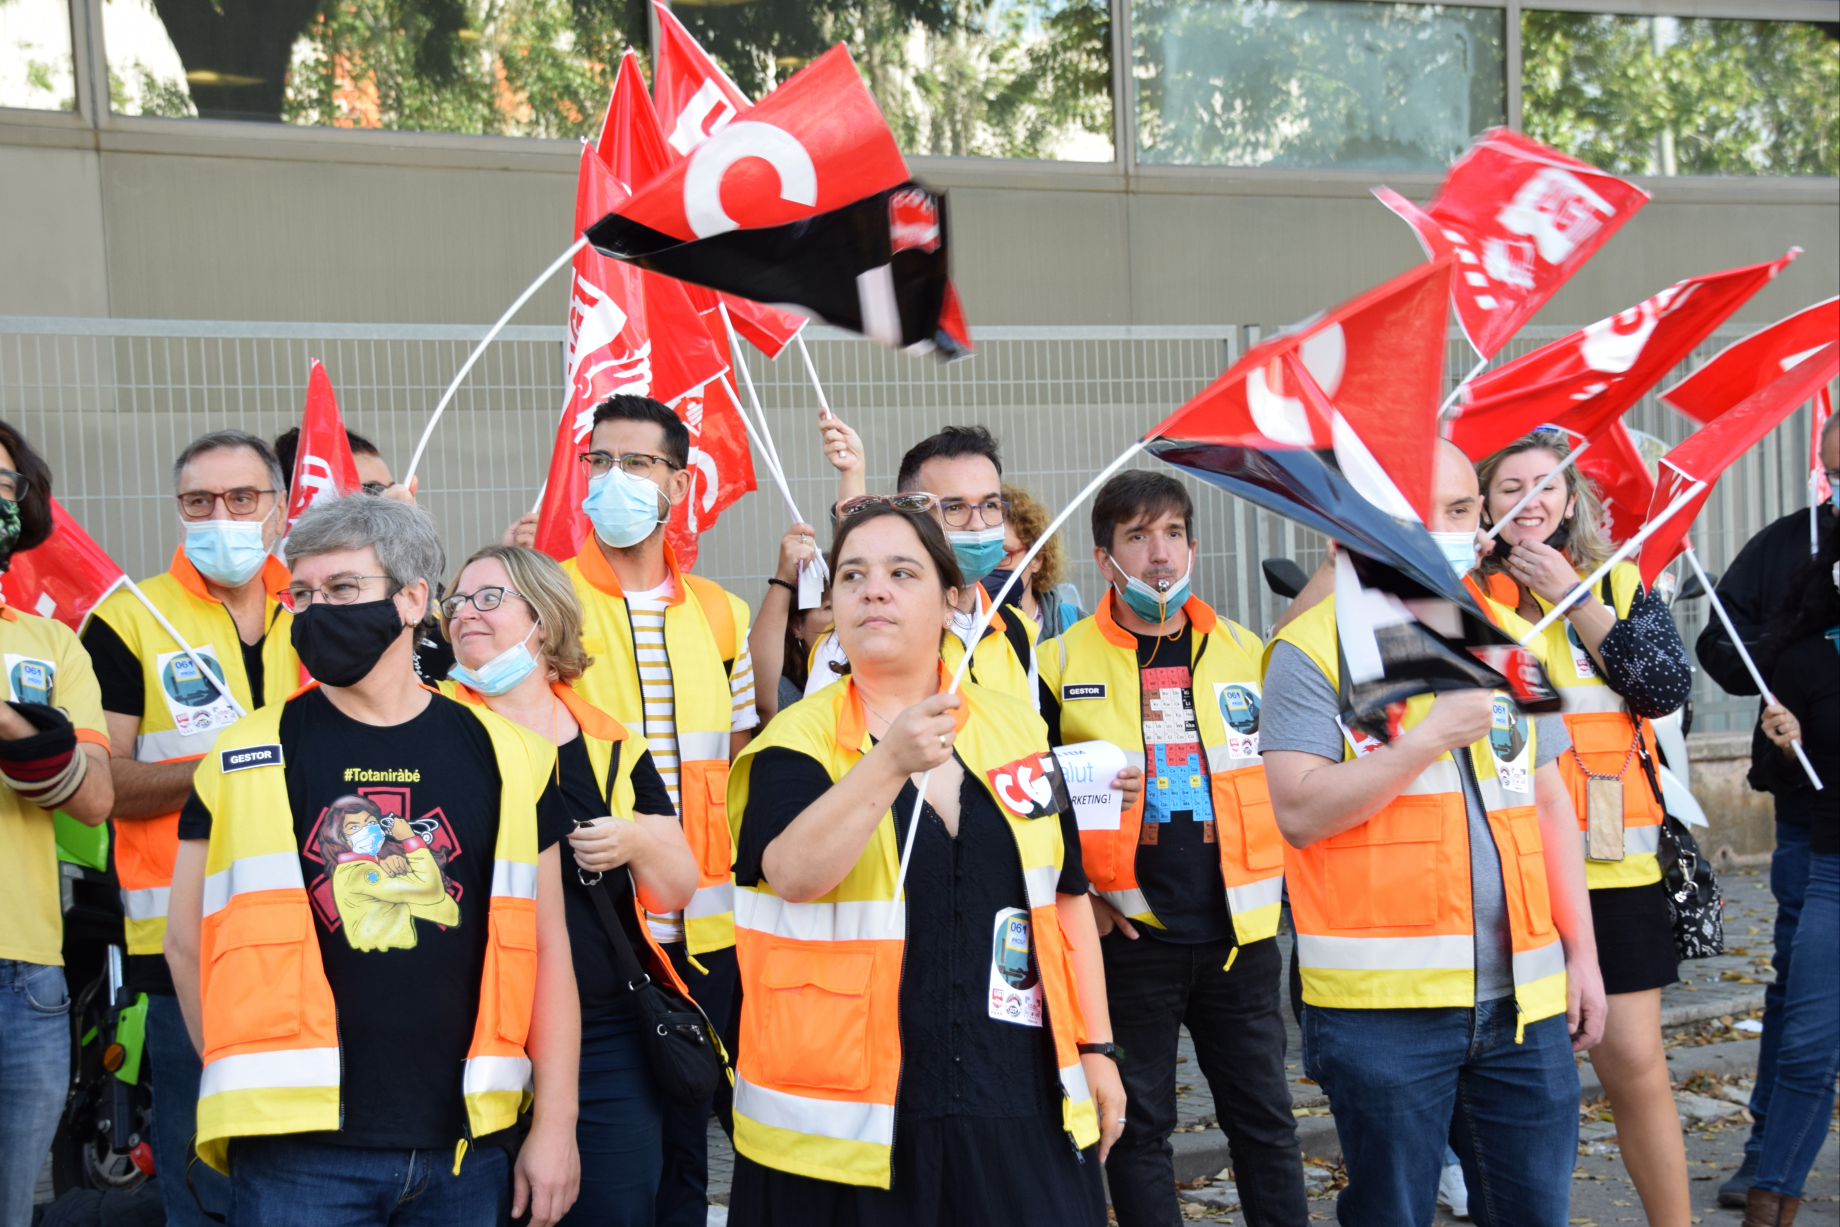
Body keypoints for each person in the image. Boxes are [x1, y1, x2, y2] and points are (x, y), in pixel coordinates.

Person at [162, 495, 580, 1227]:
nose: (317, 610)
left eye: (343, 588)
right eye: (302, 594)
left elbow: (547, 951)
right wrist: (253, 1085)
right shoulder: (242, 754)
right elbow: (184, 943)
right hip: (295, 1155)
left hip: (464, 1148)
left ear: (413, 599)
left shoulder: (510, 755)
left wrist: (555, 1125)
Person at [724, 501, 1126, 1225]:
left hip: (1014, 1097)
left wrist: (1096, 1046)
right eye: (852, 575)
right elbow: (792, 873)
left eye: (901, 573)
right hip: (846, 1132)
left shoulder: (1016, 728)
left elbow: (1065, 896)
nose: (873, 589)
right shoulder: (795, 740)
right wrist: (888, 764)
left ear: (952, 600)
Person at [1259, 438, 1606, 1227]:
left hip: (1522, 1004)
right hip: (1384, 1014)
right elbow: (1300, 812)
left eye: (1457, 510)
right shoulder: (1310, 649)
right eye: (1417, 513)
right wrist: (1426, 739)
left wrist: (1583, 954)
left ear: (1481, 519)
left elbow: (1549, 803)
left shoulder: (1500, 635)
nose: (1441, 531)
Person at [1036, 471, 1304, 1227]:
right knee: (1137, 1131)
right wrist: (1080, 897)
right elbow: (1030, 804)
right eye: (1138, 536)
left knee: (1265, 1123)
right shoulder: (1058, 663)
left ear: (1192, 545)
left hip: (1239, 939)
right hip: (1128, 941)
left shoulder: (1246, 651)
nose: (1160, 554)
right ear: (1105, 558)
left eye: (1173, 534)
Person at [439, 543, 699, 1226]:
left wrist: (636, 840)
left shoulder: (610, 741)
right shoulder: (434, 729)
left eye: (488, 598)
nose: (464, 613)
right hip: (468, 1030)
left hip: (604, 1033)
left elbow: (676, 888)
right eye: (456, 601)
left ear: (544, 618)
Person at [79, 429, 301, 1226]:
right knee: (202, 1184)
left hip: (319, 935)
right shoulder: (129, 619)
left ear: (279, 507)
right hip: (185, 948)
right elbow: (105, 782)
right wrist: (226, 766)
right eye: (199, 501)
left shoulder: (318, 607)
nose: (221, 516)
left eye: (242, 497)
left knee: (311, 1174)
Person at [1474, 430, 1694, 1227]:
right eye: (1509, 487)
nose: (1529, 501)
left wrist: (1575, 596)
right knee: (1526, 1086)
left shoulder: (1620, 580)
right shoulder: (1462, 593)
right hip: (1510, 865)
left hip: (1614, 867)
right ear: (1484, 504)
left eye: (1545, 485)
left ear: (1571, 501)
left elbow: (1662, 686)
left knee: (1634, 1063)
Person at [559, 394, 758, 1226]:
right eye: (599, 461)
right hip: (605, 931)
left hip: (708, 929)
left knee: (703, 1148)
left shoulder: (720, 612)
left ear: (677, 483)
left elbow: (737, 760)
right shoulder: (552, 601)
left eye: (637, 462)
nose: (614, 478)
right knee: (622, 1167)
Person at [1698, 414, 1839, 1209]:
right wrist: (1791, 653)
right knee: (1801, 989)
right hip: (1811, 822)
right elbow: (1719, 644)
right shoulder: (1789, 544)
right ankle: (1768, 1155)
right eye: (1837, 473)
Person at [0, 421, 115, 1227]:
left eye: (2, 486)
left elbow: (95, 796)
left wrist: (16, 726)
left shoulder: (52, 646)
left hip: (27, 974)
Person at [1736, 525, 1838, 1227]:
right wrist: (1783, 747)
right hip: (1832, 867)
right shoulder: (1804, 662)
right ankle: (1769, 1202)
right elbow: (1768, 776)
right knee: (1806, 1045)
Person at [810, 426, 1039, 709]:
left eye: (990, 505)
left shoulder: (1016, 632)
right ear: (910, 517)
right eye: (954, 508)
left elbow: (1033, 734)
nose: (978, 525)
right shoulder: (868, 633)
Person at [749, 522, 833, 723]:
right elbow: (757, 697)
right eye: (829, 607)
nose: (843, 617)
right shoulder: (790, 695)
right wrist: (784, 578)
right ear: (797, 626)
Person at [985, 484, 1080, 640]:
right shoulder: (960, 632)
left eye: (1003, 555)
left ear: (1036, 559)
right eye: (983, 555)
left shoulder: (1074, 626)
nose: (988, 567)